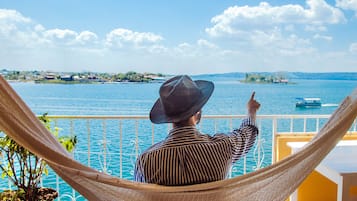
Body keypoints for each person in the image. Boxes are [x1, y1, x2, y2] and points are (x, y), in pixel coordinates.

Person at [134, 75, 260, 186]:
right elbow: (247, 134)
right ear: (198, 111)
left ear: (168, 116)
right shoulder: (224, 146)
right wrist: (251, 111)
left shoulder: (146, 160)